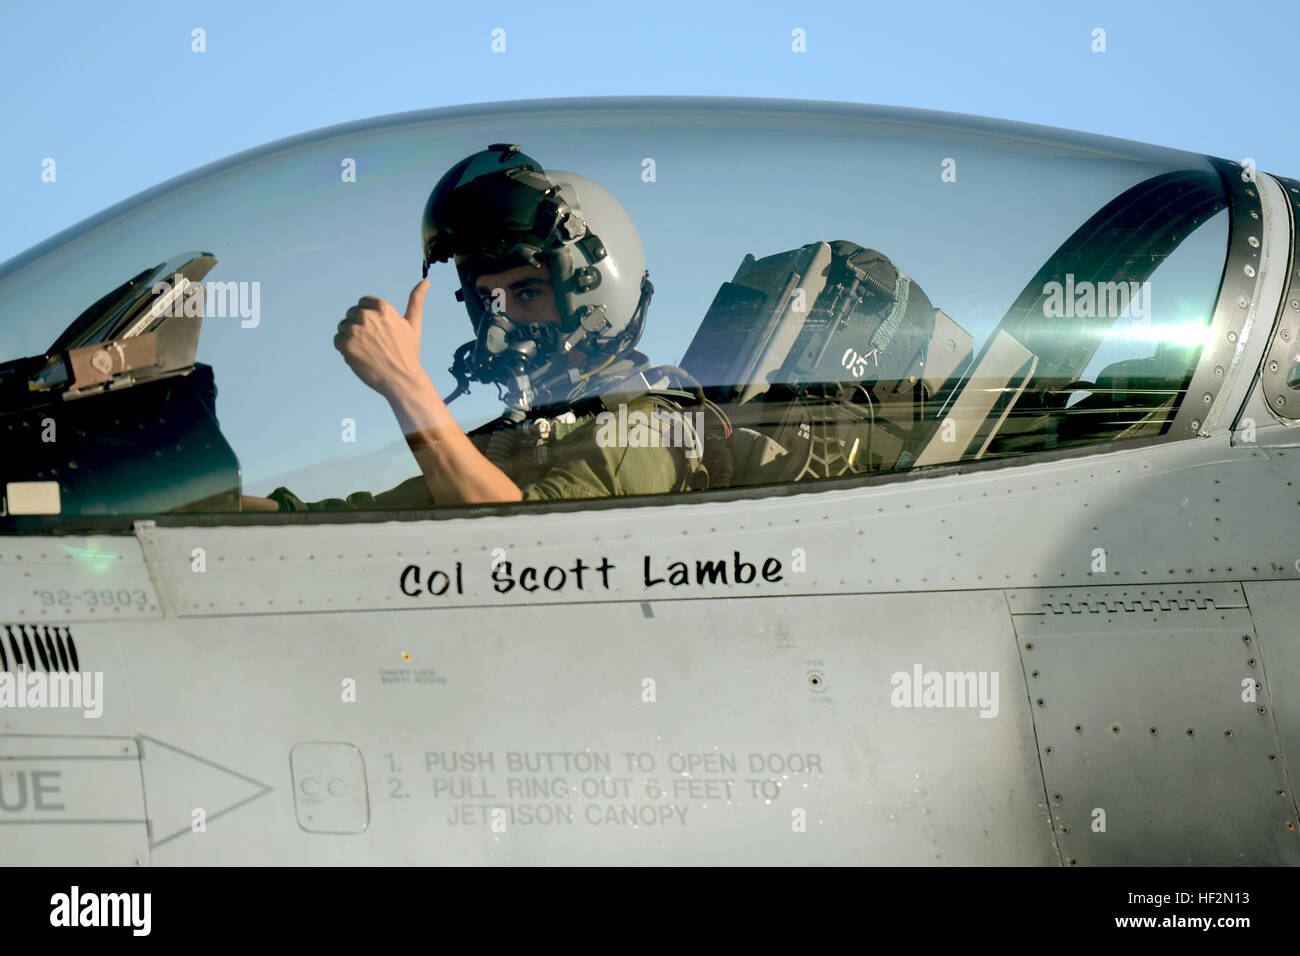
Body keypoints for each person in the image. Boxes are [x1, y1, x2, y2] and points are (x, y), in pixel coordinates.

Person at [261, 144, 725, 513]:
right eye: (488, 299)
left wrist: (406, 384)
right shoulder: (517, 440)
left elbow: (522, 555)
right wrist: (209, 505)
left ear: (595, 301)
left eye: (525, 293)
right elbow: (342, 523)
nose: (499, 322)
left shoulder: (649, 428)